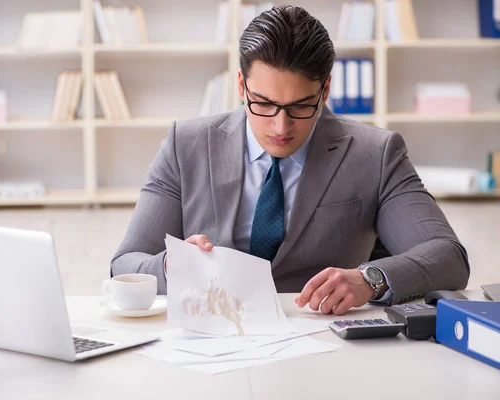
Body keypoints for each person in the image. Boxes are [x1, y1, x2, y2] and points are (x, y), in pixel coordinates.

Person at [111, 5, 470, 315]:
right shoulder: (185, 144)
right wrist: (172, 266)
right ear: (241, 86)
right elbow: (124, 264)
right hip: (211, 331)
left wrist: (370, 279)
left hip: (322, 335)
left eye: (300, 106)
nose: (280, 127)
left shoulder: (375, 153)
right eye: (263, 104)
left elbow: (448, 256)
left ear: (326, 90)